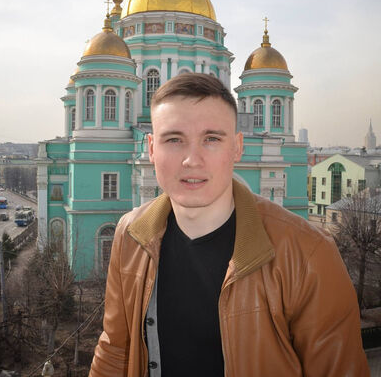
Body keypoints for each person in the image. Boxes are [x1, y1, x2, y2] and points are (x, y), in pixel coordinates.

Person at [89, 73, 369, 377]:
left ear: (237, 147)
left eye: (211, 139)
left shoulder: (307, 253)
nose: (192, 160)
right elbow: (115, 350)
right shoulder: (130, 234)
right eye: (174, 139)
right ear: (152, 149)